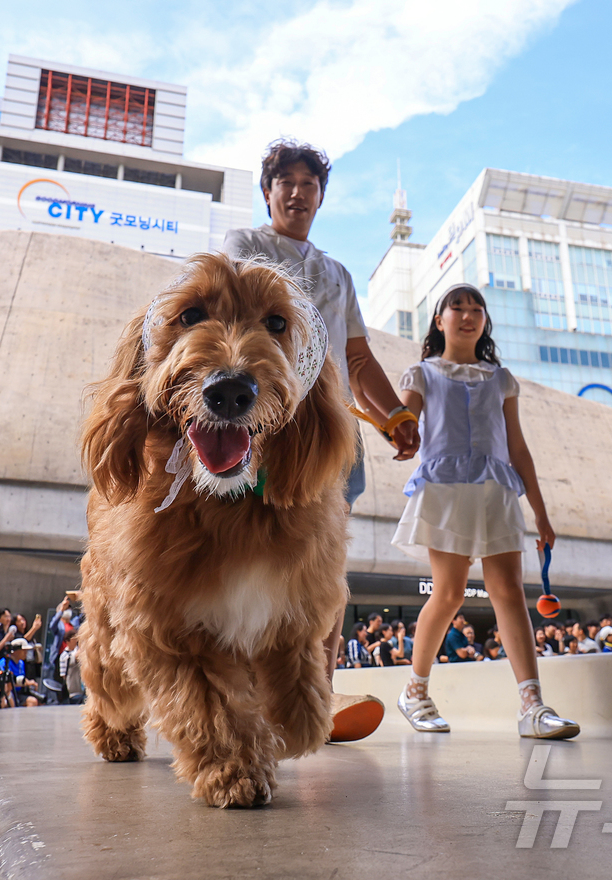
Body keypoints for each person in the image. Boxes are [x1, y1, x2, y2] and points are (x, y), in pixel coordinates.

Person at [223, 139, 420, 743]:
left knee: (324, 566)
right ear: (269, 191)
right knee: (247, 555)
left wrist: (393, 416)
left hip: (330, 432)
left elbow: (357, 355)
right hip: (262, 421)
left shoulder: (338, 274)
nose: (297, 191)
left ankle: (317, 697)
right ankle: (244, 698)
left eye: (309, 183)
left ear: (321, 197)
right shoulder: (244, 247)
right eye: (286, 180)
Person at [393, 284, 578, 739]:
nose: (467, 314)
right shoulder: (421, 374)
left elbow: (518, 447)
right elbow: (403, 423)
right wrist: (398, 432)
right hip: (444, 489)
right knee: (450, 593)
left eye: (476, 308)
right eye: (456, 307)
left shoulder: (501, 379)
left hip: (496, 490)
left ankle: (532, 706)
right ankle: (415, 691)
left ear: (484, 322)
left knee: (509, 591)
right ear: (439, 321)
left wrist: (541, 513)